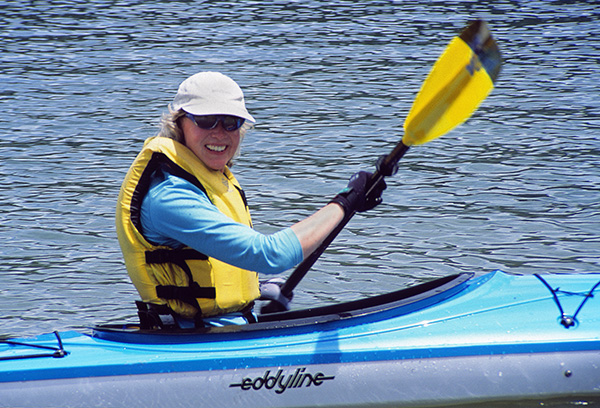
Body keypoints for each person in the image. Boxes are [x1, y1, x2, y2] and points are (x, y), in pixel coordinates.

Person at [116, 72, 385, 328]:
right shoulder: (169, 197)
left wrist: (258, 289)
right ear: (179, 123)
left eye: (230, 122)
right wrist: (345, 202)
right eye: (206, 120)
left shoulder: (209, 181)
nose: (219, 133)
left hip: (229, 327)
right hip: (191, 341)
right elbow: (269, 254)